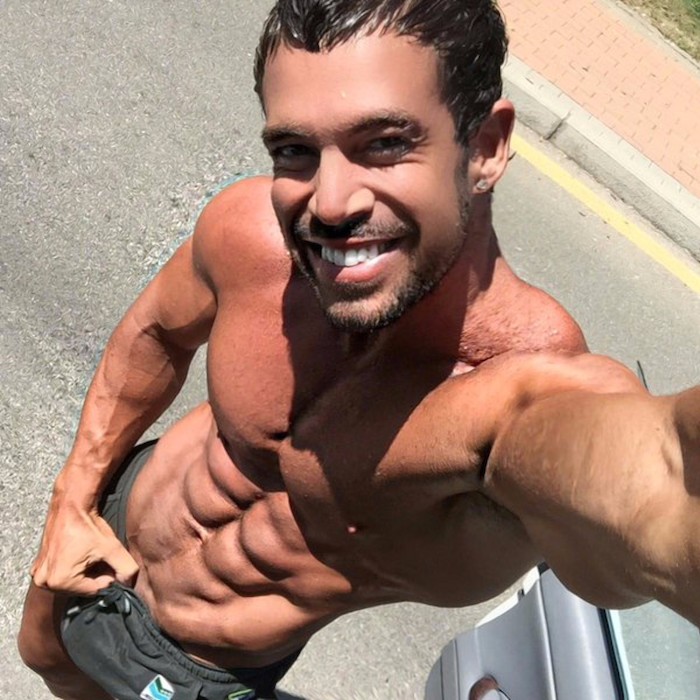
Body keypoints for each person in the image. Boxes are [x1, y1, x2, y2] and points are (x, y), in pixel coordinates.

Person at [17, 0, 700, 698]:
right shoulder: (254, 238)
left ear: (485, 148)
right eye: (295, 151)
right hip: (102, 535)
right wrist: (72, 501)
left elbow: (663, 478)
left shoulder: (525, 383)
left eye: (386, 143)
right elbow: (156, 333)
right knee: (43, 659)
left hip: (208, 667)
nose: (331, 203)